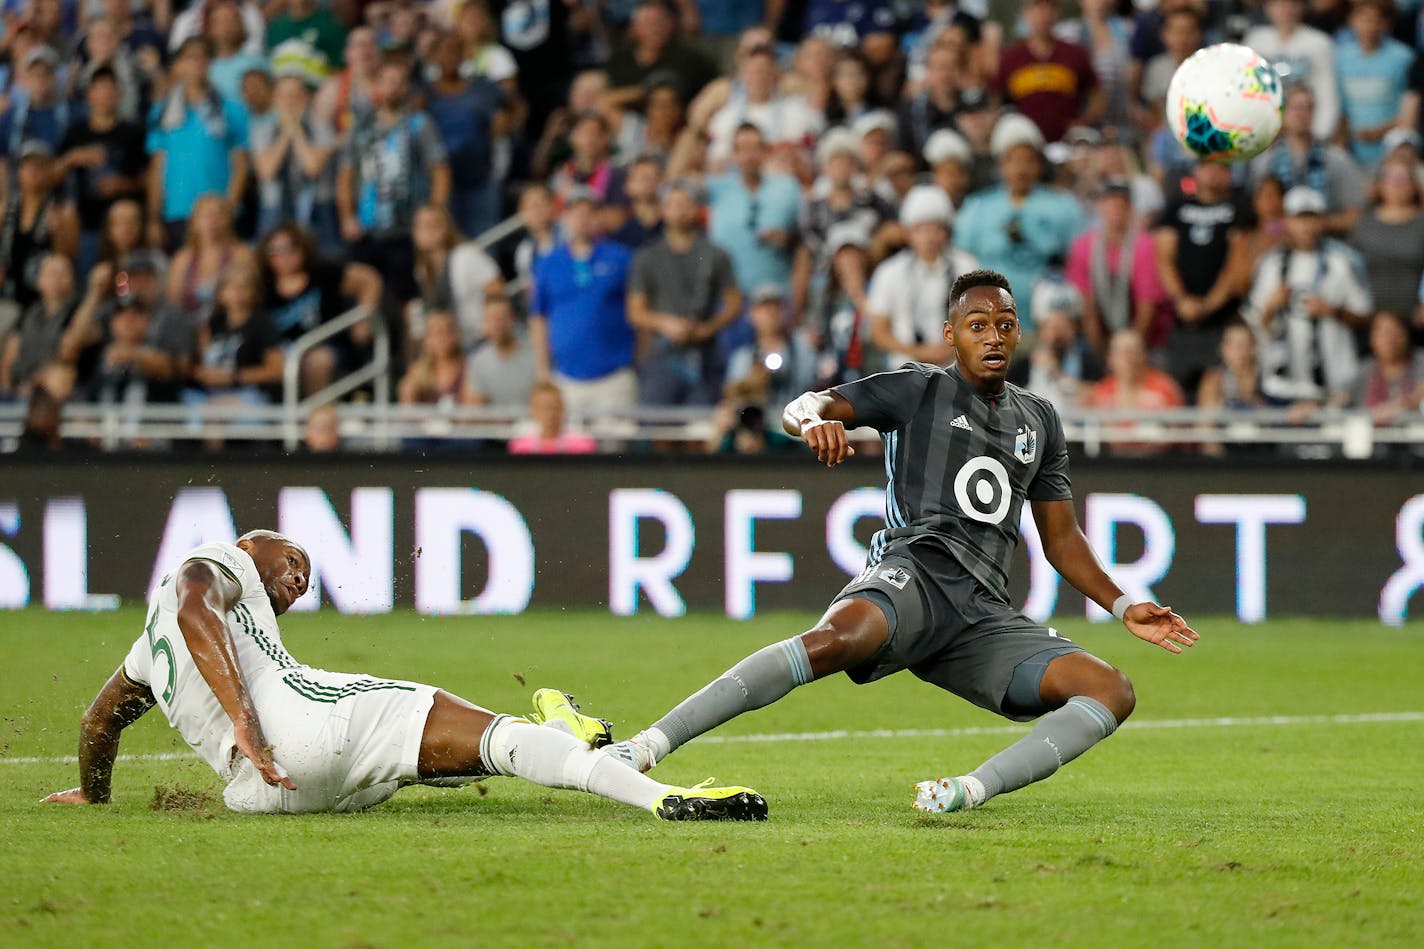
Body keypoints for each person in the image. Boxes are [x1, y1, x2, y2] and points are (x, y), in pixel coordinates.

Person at [602, 269, 1197, 814]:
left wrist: (1123, 605)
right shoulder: (917, 390)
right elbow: (804, 404)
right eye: (977, 325)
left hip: (982, 615)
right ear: (950, 335)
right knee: (839, 638)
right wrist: (813, 421)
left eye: (1006, 326)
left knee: (1110, 690)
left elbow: (1061, 538)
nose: (993, 337)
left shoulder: (1039, 419)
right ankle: (646, 746)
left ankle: (967, 790)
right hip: (913, 575)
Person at [42, 529, 766, 820]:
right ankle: (657, 793)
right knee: (496, 739)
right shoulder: (215, 561)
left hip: (273, 795)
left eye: (307, 577)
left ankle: (564, 733)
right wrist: (241, 712)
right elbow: (196, 599)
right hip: (300, 725)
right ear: (249, 545)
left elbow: (98, 720)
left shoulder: (143, 654)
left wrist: (92, 792)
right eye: (293, 561)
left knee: (410, 766)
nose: (298, 580)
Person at [1246, 186, 1372, 413]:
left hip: (1334, 378)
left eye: (1312, 218)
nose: (1306, 226)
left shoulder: (1341, 261)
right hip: (1282, 382)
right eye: (1299, 219)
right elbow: (1253, 321)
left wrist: (1331, 311)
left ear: (1322, 221)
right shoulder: (1270, 264)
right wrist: (1271, 306)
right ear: (1287, 221)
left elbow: (1365, 315)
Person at [336, 58, 451, 306]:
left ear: (406, 88)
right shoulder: (361, 128)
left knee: (409, 299)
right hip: (368, 230)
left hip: (408, 228)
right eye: (386, 81)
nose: (391, 87)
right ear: (375, 85)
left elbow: (440, 171)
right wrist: (347, 217)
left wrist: (435, 213)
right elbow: (345, 176)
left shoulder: (419, 124)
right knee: (367, 298)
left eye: (397, 82)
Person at [953, 114, 1082, 332]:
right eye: (1013, 160)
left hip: (1048, 319)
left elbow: (1079, 260)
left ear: (1039, 165)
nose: (1021, 168)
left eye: (1028, 160)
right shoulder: (977, 207)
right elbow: (961, 260)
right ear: (1001, 164)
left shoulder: (1063, 206)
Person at [626, 178, 741, 406]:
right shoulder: (646, 256)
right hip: (661, 355)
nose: (679, 210)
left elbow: (733, 303)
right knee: (659, 430)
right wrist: (666, 324)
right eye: (672, 204)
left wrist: (707, 328)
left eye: (686, 203)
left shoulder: (716, 254)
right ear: (662, 209)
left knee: (701, 429)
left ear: (698, 209)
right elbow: (636, 311)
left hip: (705, 356)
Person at [529, 188, 637, 411]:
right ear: (565, 218)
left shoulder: (621, 257)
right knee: (570, 443)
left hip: (613, 376)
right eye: (576, 213)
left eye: (589, 213)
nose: (582, 220)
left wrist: (634, 362)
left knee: (615, 445)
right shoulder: (549, 263)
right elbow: (538, 318)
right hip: (565, 376)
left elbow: (636, 309)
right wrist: (543, 370)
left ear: (599, 217)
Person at [1155, 160, 1254, 396]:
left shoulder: (1239, 207)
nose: (1212, 173)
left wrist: (1209, 304)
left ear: (1228, 173)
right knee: (1180, 389)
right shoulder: (1176, 207)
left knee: (1222, 388)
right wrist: (1182, 300)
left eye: (1219, 167)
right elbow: (1164, 257)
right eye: (1206, 167)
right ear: (1196, 171)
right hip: (1182, 320)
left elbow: (1238, 261)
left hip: (1225, 318)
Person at [145, 36, 250, 252]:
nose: (197, 63)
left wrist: (230, 208)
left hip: (219, 213)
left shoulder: (231, 109)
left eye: (203, 58)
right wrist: (153, 218)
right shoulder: (161, 112)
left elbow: (240, 164)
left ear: (210, 64)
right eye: (190, 58)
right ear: (178, 65)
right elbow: (157, 167)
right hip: (177, 211)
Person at [259, 223, 381, 396]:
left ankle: (319, 418)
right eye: (276, 250)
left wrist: (363, 319)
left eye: (291, 247)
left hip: (330, 346)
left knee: (317, 361)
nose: (284, 255)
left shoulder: (323, 273)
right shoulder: (264, 289)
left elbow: (369, 279)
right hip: (284, 352)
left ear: (303, 247)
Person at [866, 185, 978, 370]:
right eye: (921, 230)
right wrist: (918, 352)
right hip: (905, 371)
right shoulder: (890, 271)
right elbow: (878, 331)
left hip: (957, 369)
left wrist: (952, 349)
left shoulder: (966, 266)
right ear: (909, 233)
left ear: (946, 231)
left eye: (936, 229)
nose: (930, 237)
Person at [56, 66, 147, 277]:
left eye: (110, 89)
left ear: (119, 94)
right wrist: (72, 158)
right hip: (86, 226)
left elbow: (149, 179)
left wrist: (123, 184)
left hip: (123, 230)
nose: (105, 94)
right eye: (100, 89)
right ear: (89, 95)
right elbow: (52, 176)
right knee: (90, 280)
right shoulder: (76, 132)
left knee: (122, 284)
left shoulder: (132, 132)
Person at [1066, 179, 1168, 354]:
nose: (1116, 210)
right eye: (1110, 203)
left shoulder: (1145, 245)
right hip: (1099, 334)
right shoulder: (1083, 246)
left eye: (1121, 205)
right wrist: (1100, 349)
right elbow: (1085, 302)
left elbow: (1147, 303)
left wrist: (1131, 349)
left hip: (1144, 339)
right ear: (1100, 207)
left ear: (1130, 209)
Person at [1249, 86, 1364, 236]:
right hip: (1278, 242)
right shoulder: (1265, 161)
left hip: (1327, 241)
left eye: (1307, 107)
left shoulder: (1337, 159)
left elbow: (1355, 214)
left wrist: (1312, 225)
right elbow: (1257, 212)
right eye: (1295, 107)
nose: (1301, 114)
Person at [705, 123, 803, 297]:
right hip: (727, 297)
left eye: (755, 148)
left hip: (775, 297)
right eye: (742, 149)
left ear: (765, 151)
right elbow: (670, 185)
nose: (749, 156)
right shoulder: (716, 187)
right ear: (733, 155)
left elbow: (806, 240)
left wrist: (788, 239)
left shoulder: (787, 187)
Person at [996, 0, 1101, 144]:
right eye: (1038, 9)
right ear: (1026, 14)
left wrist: (1084, 121)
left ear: (1058, 13)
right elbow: (994, 96)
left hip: (1067, 143)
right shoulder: (1011, 57)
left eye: (1049, 9)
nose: (1044, 16)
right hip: (1025, 145)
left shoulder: (1074, 53)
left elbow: (1098, 94)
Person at [408, 203, 503, 351]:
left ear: (446, 227)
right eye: (421, 226)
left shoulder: (466, 255)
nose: (427, 231)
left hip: (482, 339)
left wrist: (492, 327)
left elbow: (496, 290)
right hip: (454, 345)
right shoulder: (422, 270)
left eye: (433, 224)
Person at [1243, 0, 1339, 141]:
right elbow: (1246, 91)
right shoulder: (1255, 40)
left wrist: (1320, 135)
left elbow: (1327, 94)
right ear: (1267, 8)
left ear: (1302, 7)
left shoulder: (1319, 42)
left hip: (1306, 130)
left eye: (1293, 3)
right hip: (1263, 132)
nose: (1286, 10)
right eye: (1279, 3)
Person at [1334, 0, 1414, 168]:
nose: (1368, 26)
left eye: (1374, 20)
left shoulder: (1403, 57)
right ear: (1352, 21)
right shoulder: (1341, 57)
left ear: (1385, 24)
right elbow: (1339, 105)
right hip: (1351, 152)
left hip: (1393, 152)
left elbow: (1409, 106)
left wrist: (1380, 131)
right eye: (1363, 19)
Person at [0, 141, 80, 311]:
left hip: (48, 298)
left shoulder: (64, 210)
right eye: (28, 166)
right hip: (10, 292)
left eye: (41, 166)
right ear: (19, 172)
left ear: (51, 171)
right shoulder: (5, 209)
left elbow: (68, 261)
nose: (34, 171)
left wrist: (58, 232)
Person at [1349, 156, 1424, 322]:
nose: (1396, 183)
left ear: (1414, 184)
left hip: (1415, 319)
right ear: (1380, 184)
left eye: (1403, 177)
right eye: (1388, 176)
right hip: (1370, 320)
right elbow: (1351, 266)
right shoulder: (1363, 223)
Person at [1087, 328, 1186, 449]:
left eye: (1133, 351)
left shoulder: (1166, 388)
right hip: (1112, 463)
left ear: (1144, 355)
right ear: (1110, 359)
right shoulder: (1101, 392)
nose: (1128, 359)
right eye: (1122, 352)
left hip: (1159, 462)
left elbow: (1178, 433)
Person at [167, 195, 256, 320]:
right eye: (207, 215)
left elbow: (250, 295)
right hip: (188, 325)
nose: (213, 220)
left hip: (228, 323)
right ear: (195, 222)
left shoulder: (241, 253)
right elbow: (173, 301)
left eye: (219, 215)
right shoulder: (182, 258)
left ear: (228, 221)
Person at [0, 253, 78, 397]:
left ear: (72, 279)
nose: (57, 279)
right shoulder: (28, 313)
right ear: (39, 280)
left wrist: (33, 383)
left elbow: (67, 353)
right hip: (18, 384)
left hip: (52, 387)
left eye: (62, 274)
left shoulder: (77, 310)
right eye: (51, 273)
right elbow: (10, 354)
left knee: (59, 378)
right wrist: (6, 389)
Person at [463, 295, 535, 408]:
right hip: (493, 424)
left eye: (501, 318)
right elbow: (474, 409)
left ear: (512, 319)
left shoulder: (534, 355)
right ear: (484, 323)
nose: (496, 324)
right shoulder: (478, 361)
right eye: (491, 319)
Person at [1354, 310, 1424, 425]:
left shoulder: (1420, 360)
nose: (1388, 340)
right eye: (1381, 333)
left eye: (1393, 332)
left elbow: (1420, 393)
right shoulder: (1365, 369)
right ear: (1372, 339)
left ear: (1405, 335)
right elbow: (1343, 398)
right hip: (1374, 438)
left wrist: (1403, 404)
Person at [509, 382, 598, 455]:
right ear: (533, 412)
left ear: (563, 409)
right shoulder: (521, 447)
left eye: (554, 407)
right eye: (544, 408)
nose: (550, 414)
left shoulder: (582, 445)